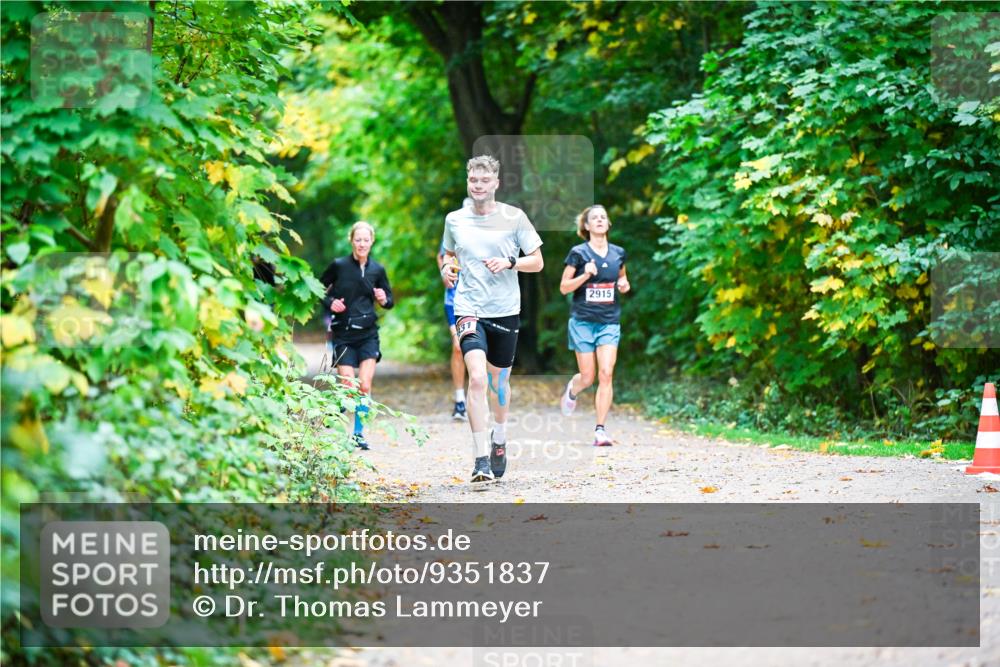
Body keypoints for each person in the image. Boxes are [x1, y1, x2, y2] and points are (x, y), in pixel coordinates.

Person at [440, 155, 544, 484]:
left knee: (499, 384)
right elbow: (449, 254)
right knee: (477, 379)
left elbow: (538, 261)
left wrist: (510, 262)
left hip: (505, 310)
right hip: (469, 307)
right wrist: (445, 269)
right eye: (473, 181)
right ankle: (480, 458)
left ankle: (499, 437)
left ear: (496, 183)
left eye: (484, 181)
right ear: (468, 182)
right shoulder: (454, 220)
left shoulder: (514, 218)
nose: (478, 186)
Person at [558, 205, 630, 446]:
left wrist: (623, 284)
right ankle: (573, 389)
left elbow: (622, 277)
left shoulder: (618, 253)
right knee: (588, 377)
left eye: (603, 217)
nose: (600, 220)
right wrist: (585, 275)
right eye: (594, 218)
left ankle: (600, 429)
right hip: (582, 321)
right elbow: (564, 287)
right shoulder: (578, 253)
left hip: (609, 321)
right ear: (586, 226)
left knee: (606, 373)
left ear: (608, 224)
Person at [319, 221, 394, 451]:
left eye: (366, 240)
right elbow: (318, 289)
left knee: (364, 385)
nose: (362, 244)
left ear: (372, 242)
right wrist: (331, 302)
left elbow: (389, 301)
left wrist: (383, 299)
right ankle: (339, 409)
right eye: (358, 239)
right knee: (348, 385)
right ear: (351, 240)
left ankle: (359, 434)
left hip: (368, 334)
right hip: (343, 334)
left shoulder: (377, 270)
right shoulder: (339, 266)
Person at [436, 199, 473, 420]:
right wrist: (445, 273)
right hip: (455, 301)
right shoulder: (453, 231)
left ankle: (480, 399)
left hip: (482, 302)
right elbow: (442, 256)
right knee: (459, 346)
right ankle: (460, 400)